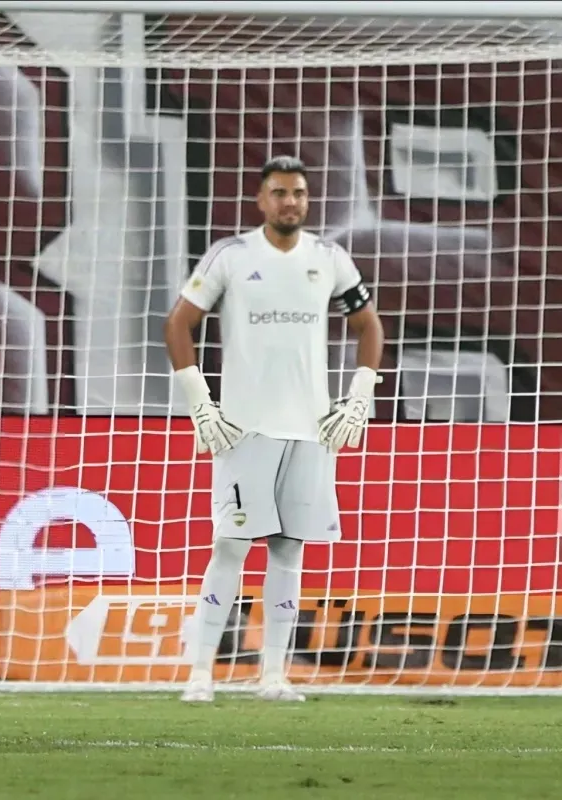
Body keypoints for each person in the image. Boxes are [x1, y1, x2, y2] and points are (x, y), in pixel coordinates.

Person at [163, 155, 384, 703]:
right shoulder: (232, 256)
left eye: (299, 193)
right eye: (281, 193)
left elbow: (369, 325)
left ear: (308, 201)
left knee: (289, 550)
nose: (291, 202)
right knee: (231, 545)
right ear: (262, 200)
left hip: (312, 430)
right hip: (245, 429)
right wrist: (200, 403)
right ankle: (200, 673)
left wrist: (359, 395)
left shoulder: (329, 258)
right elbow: (179, 324)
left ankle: (273, 675)